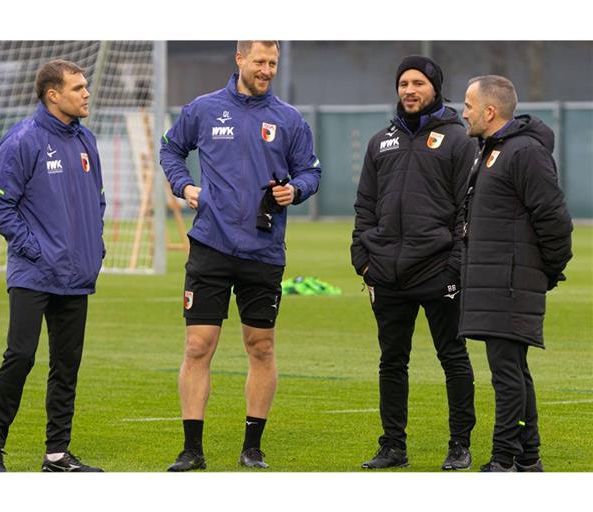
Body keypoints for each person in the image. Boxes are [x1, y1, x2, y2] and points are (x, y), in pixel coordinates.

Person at [160, 41, 321, 471]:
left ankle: (253, 447)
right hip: (211, 245)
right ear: (239, 59)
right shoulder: (203, 109)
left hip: (263, 250)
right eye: (260, 61)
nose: (267, 69)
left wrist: (297, 189)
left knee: (261, 346)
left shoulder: (289, 119)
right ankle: (192, 450)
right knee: (198, 346)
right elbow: (171, 150)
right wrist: (185, 186)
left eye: (273, 63)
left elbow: (311, 171)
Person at [351, 55, 478, 470]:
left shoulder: (459, 139)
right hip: (386, 272)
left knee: (453, 357)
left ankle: (459, 444)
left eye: (418, 83)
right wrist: (363, 260)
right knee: (392, 361)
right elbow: (365, 205)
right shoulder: (380, 141)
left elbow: (467, 208)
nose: (409, 90)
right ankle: (392, 446)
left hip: (438, 270)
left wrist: (455, 264)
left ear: (435, 88)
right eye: (404, 83)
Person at [0, 59, 106, 472]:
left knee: (66, 366)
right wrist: (36, 248)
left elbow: (96, 200)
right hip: (34, 273)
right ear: (53, 95)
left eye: (85, 86)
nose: (86, 93)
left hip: (76, 274)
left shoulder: (87, 141)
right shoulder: (23, 140)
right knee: (20, 356)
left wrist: (94, 246)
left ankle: (56, 454)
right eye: (77, 88)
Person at [461, 75, 573, 472]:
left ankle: (504, 459)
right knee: (513, 371)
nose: (464, 113)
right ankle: (527, 459)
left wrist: (547, 271)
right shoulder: (492, 150)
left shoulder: (524, 153)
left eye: (469, 106)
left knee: (507, 374)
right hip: (496, 282)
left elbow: (555, 219)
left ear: (490, 112)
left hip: (509, 283)